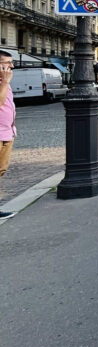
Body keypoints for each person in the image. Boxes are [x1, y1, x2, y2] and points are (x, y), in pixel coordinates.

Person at [0, 50, 17, 220]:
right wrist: (4, 83)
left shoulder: (6, 82)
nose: (11, 66)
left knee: (1, 170)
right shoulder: (4, 82)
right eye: (7, 62)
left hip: (6, 132)